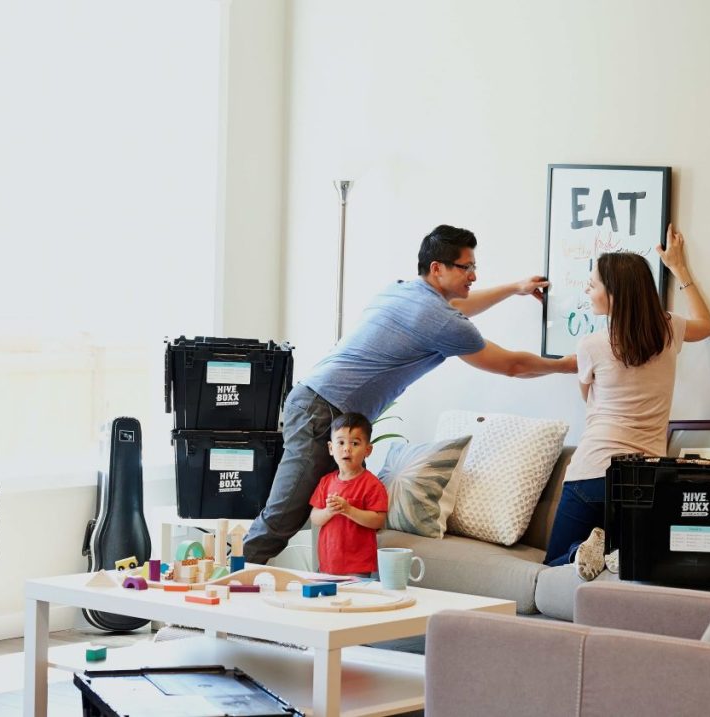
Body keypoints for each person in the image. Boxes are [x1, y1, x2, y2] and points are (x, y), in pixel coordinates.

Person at [244, 224, 577, 564]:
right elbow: (511, 365)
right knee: (286, 512)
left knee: (328, 511)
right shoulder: (441, 320)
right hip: (323, 411)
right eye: (467, 267)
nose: (474, 276)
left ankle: (316, 589)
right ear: (438, 268)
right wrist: (567, 364)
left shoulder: (402, 290)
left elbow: (460, 306)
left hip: (320, 404)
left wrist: (513, 288)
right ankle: (228, 583)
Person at [543, 223, 710, 580]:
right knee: (628, 567)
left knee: (553, 565)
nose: (588, 290)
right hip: (646, 477)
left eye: (594, 284)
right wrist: (679, 269)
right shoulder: (669, 330)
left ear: (614, 293)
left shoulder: (592, 345)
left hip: (592, 471)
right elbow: (707, 325)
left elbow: (588, 400)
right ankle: (611, 554)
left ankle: (583, 553)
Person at [308, 412, 388, 576]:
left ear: (368, 450)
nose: (347, 448)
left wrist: (348, 510)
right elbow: (315, 517)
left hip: (358, 566)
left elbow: (378, 521)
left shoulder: (372, 485)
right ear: (331, 448)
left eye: (355, 443)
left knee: (356, 600)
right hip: (328, 562)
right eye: (341, 442)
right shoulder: (326, 482)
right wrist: (329, 511)